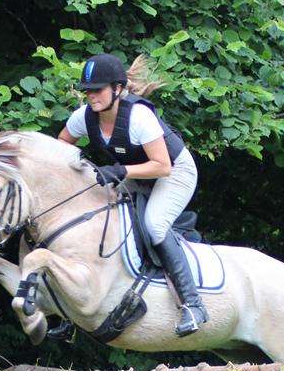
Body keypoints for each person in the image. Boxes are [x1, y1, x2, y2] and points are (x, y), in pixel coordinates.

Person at [56, 53, 209, 337]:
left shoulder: (139, 117)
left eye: (97, 90)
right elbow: (62, 145)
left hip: (174, 173)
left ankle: (193, 304)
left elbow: (162, 166)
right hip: (137, 171)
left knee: (154, 225)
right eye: (87, 91)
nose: (91, 96)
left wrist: (120, 170)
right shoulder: (83, 118)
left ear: (117, 89)